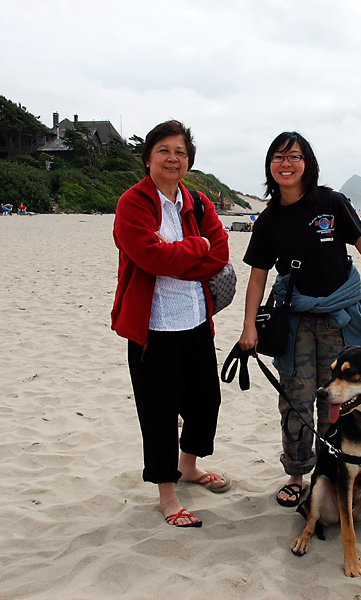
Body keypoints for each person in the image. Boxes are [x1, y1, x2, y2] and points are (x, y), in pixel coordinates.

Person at [239, 131, 361, 508]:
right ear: (270, 165)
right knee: (297, 399)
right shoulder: (268, 220)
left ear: (308, 164)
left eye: (295, 156)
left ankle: (336, 470)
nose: (286, 163)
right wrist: (249, 325)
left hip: (339, 318)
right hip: (296, 321)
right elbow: (257, 275)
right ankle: (297, 473)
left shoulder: (332, 203)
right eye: (279, 157)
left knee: (337, 401)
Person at [111, 120, 231, 528]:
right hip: (154, 326)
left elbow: (220, 254)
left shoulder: (197, 202)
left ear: (189, 161)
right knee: (159, 413)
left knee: (205, 403)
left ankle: (189, 466)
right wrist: (194, 248)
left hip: (196, 320)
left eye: (180, 152)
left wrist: (177, 255)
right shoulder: (133, 203)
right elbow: (149, 257)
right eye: (163, 150)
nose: (172, 158)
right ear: (148, 158)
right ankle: (167, 494)